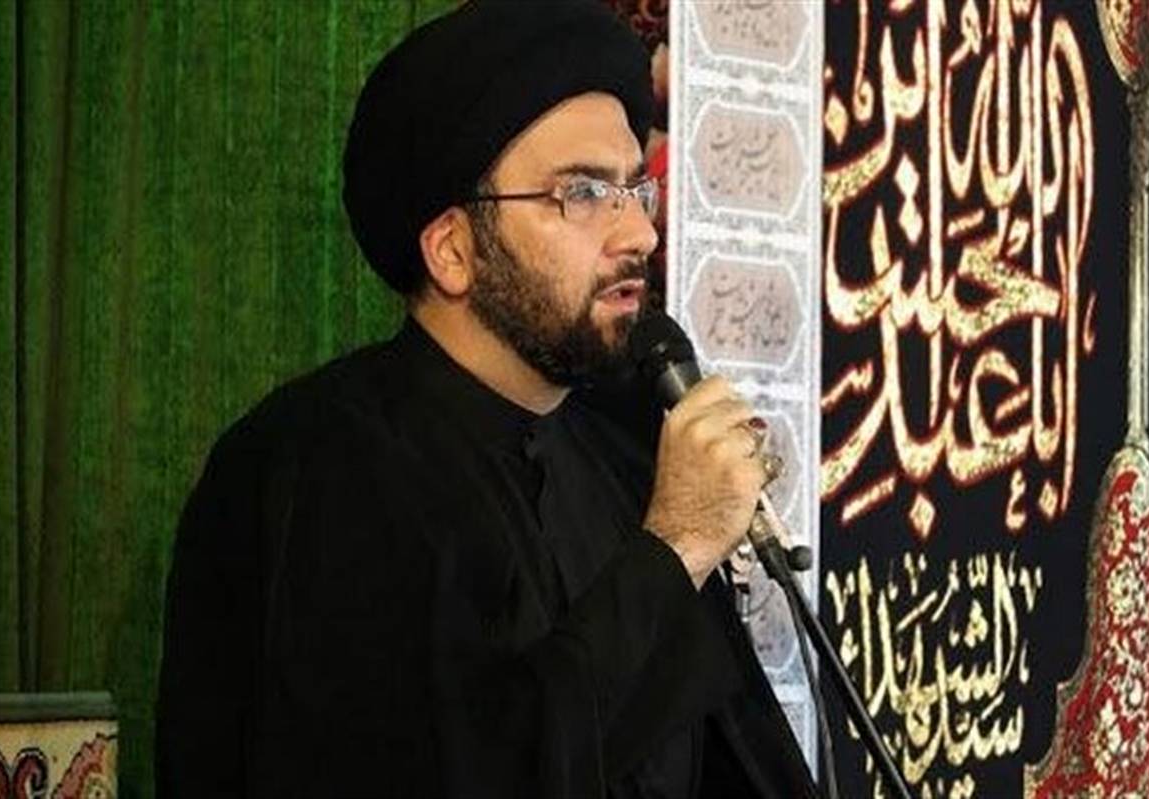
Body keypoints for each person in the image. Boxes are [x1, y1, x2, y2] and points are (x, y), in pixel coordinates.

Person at [155, 1, 820, 797]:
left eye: (634, 190)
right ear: (453, 251)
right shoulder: (319, 467)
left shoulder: (618, 457)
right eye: (583, 193)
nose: (638, 234)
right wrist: (674, 547)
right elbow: (461, 767)